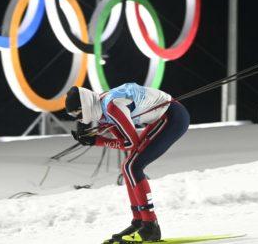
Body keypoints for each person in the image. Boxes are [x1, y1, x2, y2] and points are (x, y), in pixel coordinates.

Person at [64, 83, 190, 243]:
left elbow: (131, 143)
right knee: (128, 166)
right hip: (163, 117)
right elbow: (122, 140)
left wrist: (97, 141)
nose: (78, 118)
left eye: (76, 113)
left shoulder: (111, 107)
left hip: (173, 117)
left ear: (85, 105)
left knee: (133, 167)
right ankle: (139, 222)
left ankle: (151, 226)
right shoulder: (101, 109)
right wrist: (95, 138)